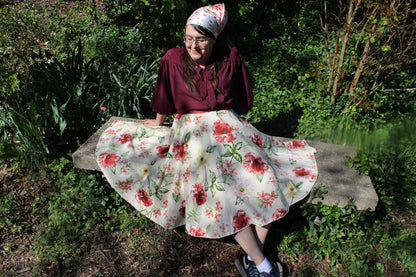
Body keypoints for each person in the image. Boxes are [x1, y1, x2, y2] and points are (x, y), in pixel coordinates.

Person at [95, 4, 318, 277]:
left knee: (265, 175)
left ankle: (253, 255)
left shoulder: (230, 56)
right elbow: (164, 94)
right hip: (191, 130)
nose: (193, 46)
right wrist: (157, 122)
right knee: (217, 187)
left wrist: (228, 117)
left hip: (227, 124)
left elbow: (243, 99)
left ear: (214, 39)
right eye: (188, 38)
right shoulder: (172, 59)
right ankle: (261, 264)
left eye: (201, 39)